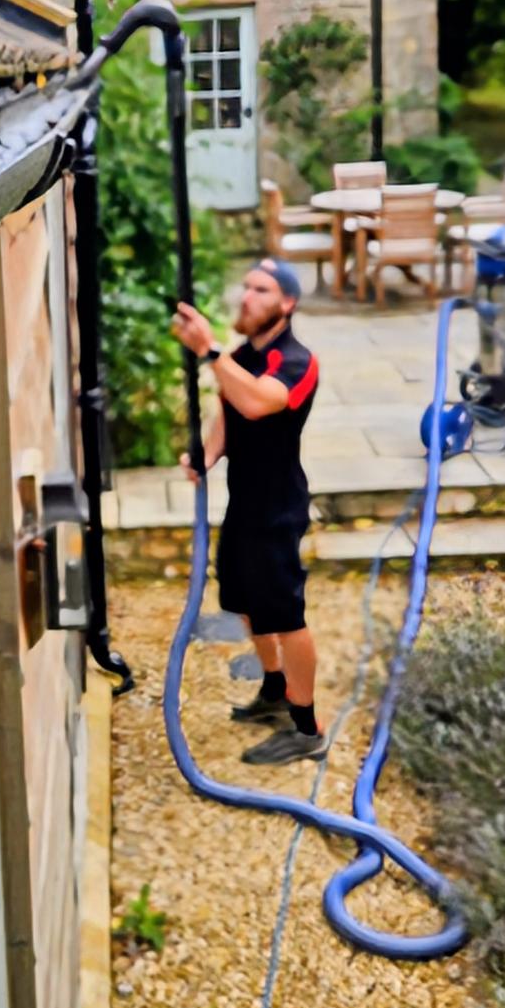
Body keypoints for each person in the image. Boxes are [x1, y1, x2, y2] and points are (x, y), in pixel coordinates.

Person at [169, 257, 324, 765]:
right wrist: (207, 454)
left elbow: (259, 402)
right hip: (244, 501)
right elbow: (230, 412)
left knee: (284, 612)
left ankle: (307, 729)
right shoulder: (240, 355)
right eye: (247, 287)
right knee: (247, 601)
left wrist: (209, 351)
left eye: (261, 290)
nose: (247, 296)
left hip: (278, 506)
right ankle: (275, 690)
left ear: (287, 304)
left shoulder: (297, 360)